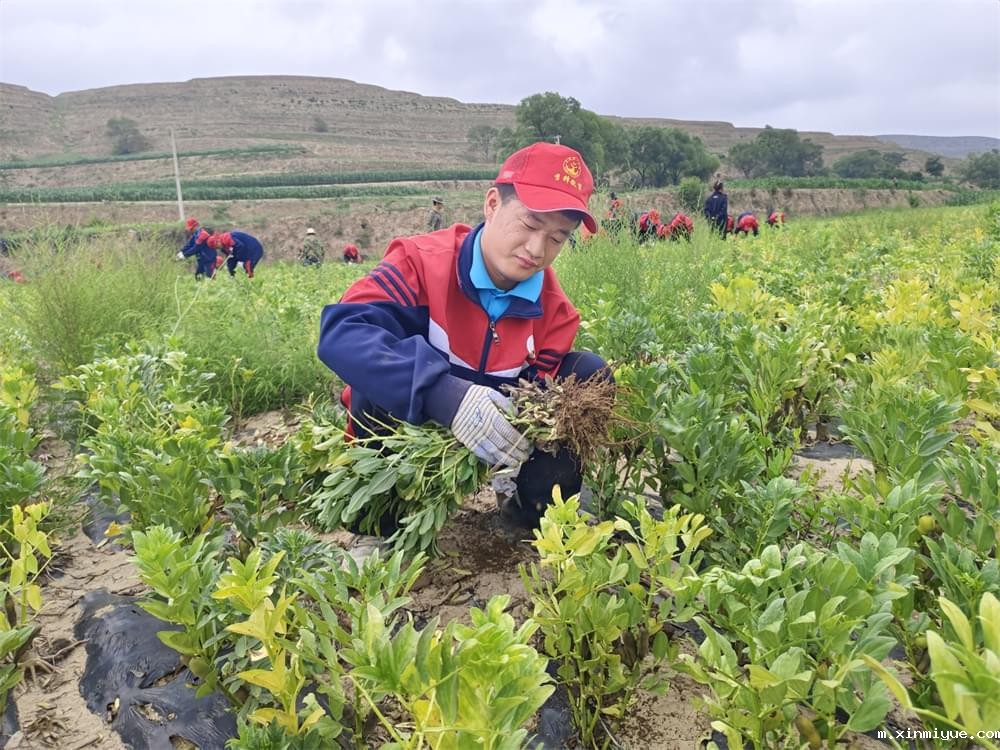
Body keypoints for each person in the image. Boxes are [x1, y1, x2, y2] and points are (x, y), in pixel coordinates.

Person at [317, 142, 611, 529]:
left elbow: (537, 397)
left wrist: (524, 432)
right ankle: (382, 519)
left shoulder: (554, 313)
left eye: (557, 238)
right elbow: (342, 332)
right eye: (529, 224)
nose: (537, 249)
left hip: (487, 434)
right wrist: (445, 396)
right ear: (492, 204)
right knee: (377, 365)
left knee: (587, 375)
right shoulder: (421, 264)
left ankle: (527, 516)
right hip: (407, 434)